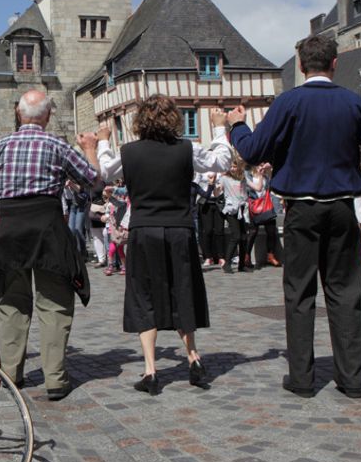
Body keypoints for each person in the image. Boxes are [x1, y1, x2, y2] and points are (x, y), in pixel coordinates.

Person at [227, 35, 361, 399]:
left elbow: (251, 149)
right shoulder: (353, 103)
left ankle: (302, 378)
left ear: (301, 64)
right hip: (343, 207)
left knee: (299, 292)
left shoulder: (288, 103)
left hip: (302, 209)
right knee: (344, 292)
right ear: (335, 63)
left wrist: (237, 124)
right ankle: (352, 378)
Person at [0, 90, 100, 401]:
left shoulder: (0, 146)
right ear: (47, 116)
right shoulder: (57, 145)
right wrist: (91, 148)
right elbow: (93, 179)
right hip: (48, 230)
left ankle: (11, 372)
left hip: (10, 231)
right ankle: (55, 378)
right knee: (53, 304)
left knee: (12, 305)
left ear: (19, 114)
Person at [96, 97, 231, 394]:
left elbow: (105, 171)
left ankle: (150, 370)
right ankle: (193, 357)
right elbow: (223, 161)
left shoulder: (129, 152)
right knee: (183, 289)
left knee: (144, 294)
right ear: (173, 120)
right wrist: (221, 130)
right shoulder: (187, 148)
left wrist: (103, 141)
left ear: (140, 121)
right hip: (180, 229)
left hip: (145, 230)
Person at [246, 163, 282, 269]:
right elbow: (258, 188)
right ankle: (246, 256)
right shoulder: (248, 175)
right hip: (254, 206)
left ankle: (270, 255)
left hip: (266, 206)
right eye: (259, 165)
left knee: (271, 231)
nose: (261, 167)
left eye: (262, 165)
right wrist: (260, 176)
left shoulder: (267, 176)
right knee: (253, 232)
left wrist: (268, 168)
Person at [219, 161, 251, 273]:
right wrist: (214, 186)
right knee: (236, 236)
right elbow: (217, 191)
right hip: (231, 209)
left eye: (234, 166)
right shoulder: (225, 178)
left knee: (244, 237)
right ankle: (226, 263)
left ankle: (242, 265)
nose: (232, 168)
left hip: (242, 209)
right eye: (231, 166)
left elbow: (251, 189)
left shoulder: (242, 178)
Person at [196, 172, 225, 268]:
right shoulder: (201, 169)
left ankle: (221, 257)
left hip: (218, 201)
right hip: (205, 202)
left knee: (220, 230)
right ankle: (208, 257)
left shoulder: (220, 168)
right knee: (207, 230)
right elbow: (196, 183)